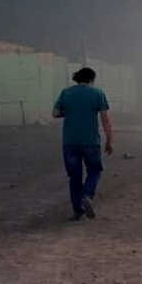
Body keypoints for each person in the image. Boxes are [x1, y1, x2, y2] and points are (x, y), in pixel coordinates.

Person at [53, 67, 114, 220]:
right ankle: (87, 194)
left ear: (77, 78)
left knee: (74, 177)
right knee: (95, 170)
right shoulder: (97, 93)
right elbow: (105, 120)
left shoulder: (66, 92)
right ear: (92, 79)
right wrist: (110, 140)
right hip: (91, 142)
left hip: (70, 142)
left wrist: (69, 113)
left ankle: (77, 211)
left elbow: (55, 113)